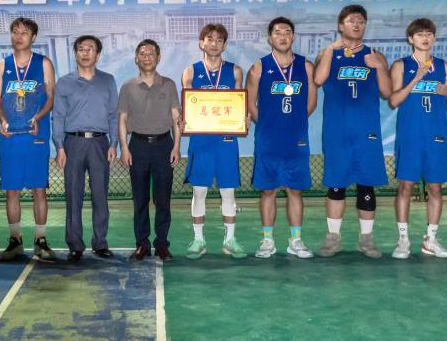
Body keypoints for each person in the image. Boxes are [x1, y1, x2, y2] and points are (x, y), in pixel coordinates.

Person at [313, 5, 391, 259]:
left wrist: (379, 67)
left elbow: (387, 92)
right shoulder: (328, 53)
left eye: (361, 21)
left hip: (366, 130)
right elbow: (318, 80)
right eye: (351, 20)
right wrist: (329, 51)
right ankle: (333, 237)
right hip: (337, 130)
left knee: (366, 184)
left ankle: (366, 239)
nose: (356, 25)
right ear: (340, 26)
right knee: (336, 185)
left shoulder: (375, 55)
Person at [246, 17, 317, 259]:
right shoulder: (259, 67)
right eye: (277, 32)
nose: (283, 36)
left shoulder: (306, 67)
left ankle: (295, 240)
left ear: (293, 37)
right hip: (268, 139)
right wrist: (268, 124)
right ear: (270, 38)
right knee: (268, 190)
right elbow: (250, 104)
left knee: (295, 190)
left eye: (287, 32)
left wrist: (293, 123)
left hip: (297, 138)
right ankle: (267, 241)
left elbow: (311, 103)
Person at [387, 18, 447, 259]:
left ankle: (431, 240)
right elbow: (394, 101)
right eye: (420, 34)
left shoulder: (444, 66)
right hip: (410, 135)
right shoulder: (401, 65)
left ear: (434, 38)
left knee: (435, 187)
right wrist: (415, 79)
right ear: (410, 39)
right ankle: (403, 240)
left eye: (429, 34)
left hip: (436, 135)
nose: (425, 38)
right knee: (406, 186)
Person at [0, 18, 57, 262]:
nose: (19, 36)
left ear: (33, 37)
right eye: (15, 32)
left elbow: (51, 97)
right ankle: (15, 240)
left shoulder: (44, 63)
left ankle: (40, 240)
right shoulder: (1, 66)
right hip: (11, 137)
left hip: (35, 135)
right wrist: (2, 120)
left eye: (25, 33)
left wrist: (38, 116)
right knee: (12, 191)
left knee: (39, 189)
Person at [181, 24, 247, 259]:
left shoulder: (235, 71)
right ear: (202, 43)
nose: (214, 43)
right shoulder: (191, 71)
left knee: (228, 191)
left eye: (219, 40)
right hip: (201, 140)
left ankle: (230, 240)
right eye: (210, 39)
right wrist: (184, 120)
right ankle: (198, 240)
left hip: (226, 141)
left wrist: (243, 119)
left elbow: (239, 104)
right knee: (199, 192)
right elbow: (188, 106)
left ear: (225, 45)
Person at [53, 35, 119, 263]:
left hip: (100, 143)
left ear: (97, 55)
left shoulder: (108, 80)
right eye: (81, 49)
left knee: (100, 194)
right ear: (76, 54)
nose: (85, 53)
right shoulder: (64, 82)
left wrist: (113, 143)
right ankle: (75, 245)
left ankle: (100, 243)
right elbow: (58, 116)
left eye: (90, 49)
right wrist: (59, 147)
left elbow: (113, 114)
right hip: (73, 143)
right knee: (74, 195)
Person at [119, 39, 182, 261]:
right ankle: (142, 244)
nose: (147, 58)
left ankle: (162, 244)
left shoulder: (169, 84)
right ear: (136, 58)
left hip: (164, 146)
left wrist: (176, 146)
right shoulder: (128, 86)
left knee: (163, 199)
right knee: (140, 199)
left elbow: (176, 118)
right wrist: (124, 147)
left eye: (151, 54)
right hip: (137, 146)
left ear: (158, 58)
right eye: (143, 54)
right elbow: (122, 118)